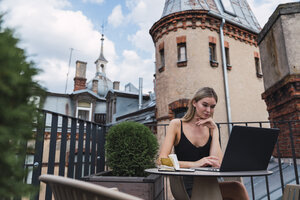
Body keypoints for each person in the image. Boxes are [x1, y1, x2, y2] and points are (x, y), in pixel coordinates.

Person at [158, 87, 249, 200]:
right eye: (205, 105)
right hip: (186, 187)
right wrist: (195, 164)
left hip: (210, 185)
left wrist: (215, 130)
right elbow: (161, 160)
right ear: (194, 103)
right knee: (237, 188)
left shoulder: (212, 128)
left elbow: (218, 162)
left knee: (237, 187)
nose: (208, 110)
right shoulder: (176, 124)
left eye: (212, 107)